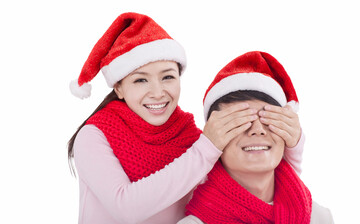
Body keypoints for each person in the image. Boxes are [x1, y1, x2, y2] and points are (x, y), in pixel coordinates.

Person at [68, 13, 305, 224]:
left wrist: (293, 142)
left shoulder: (193, 138)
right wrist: (206, 148)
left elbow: (254, 177)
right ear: (118, 87)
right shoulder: (94, 136)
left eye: (168, 77)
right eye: (141, 80)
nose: (158, 92)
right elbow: (126, 209)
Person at [178, 51, 334, 224]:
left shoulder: (319, 218)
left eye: (268, 118)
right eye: (241, 120)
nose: (258, 130)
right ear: (216, 138)